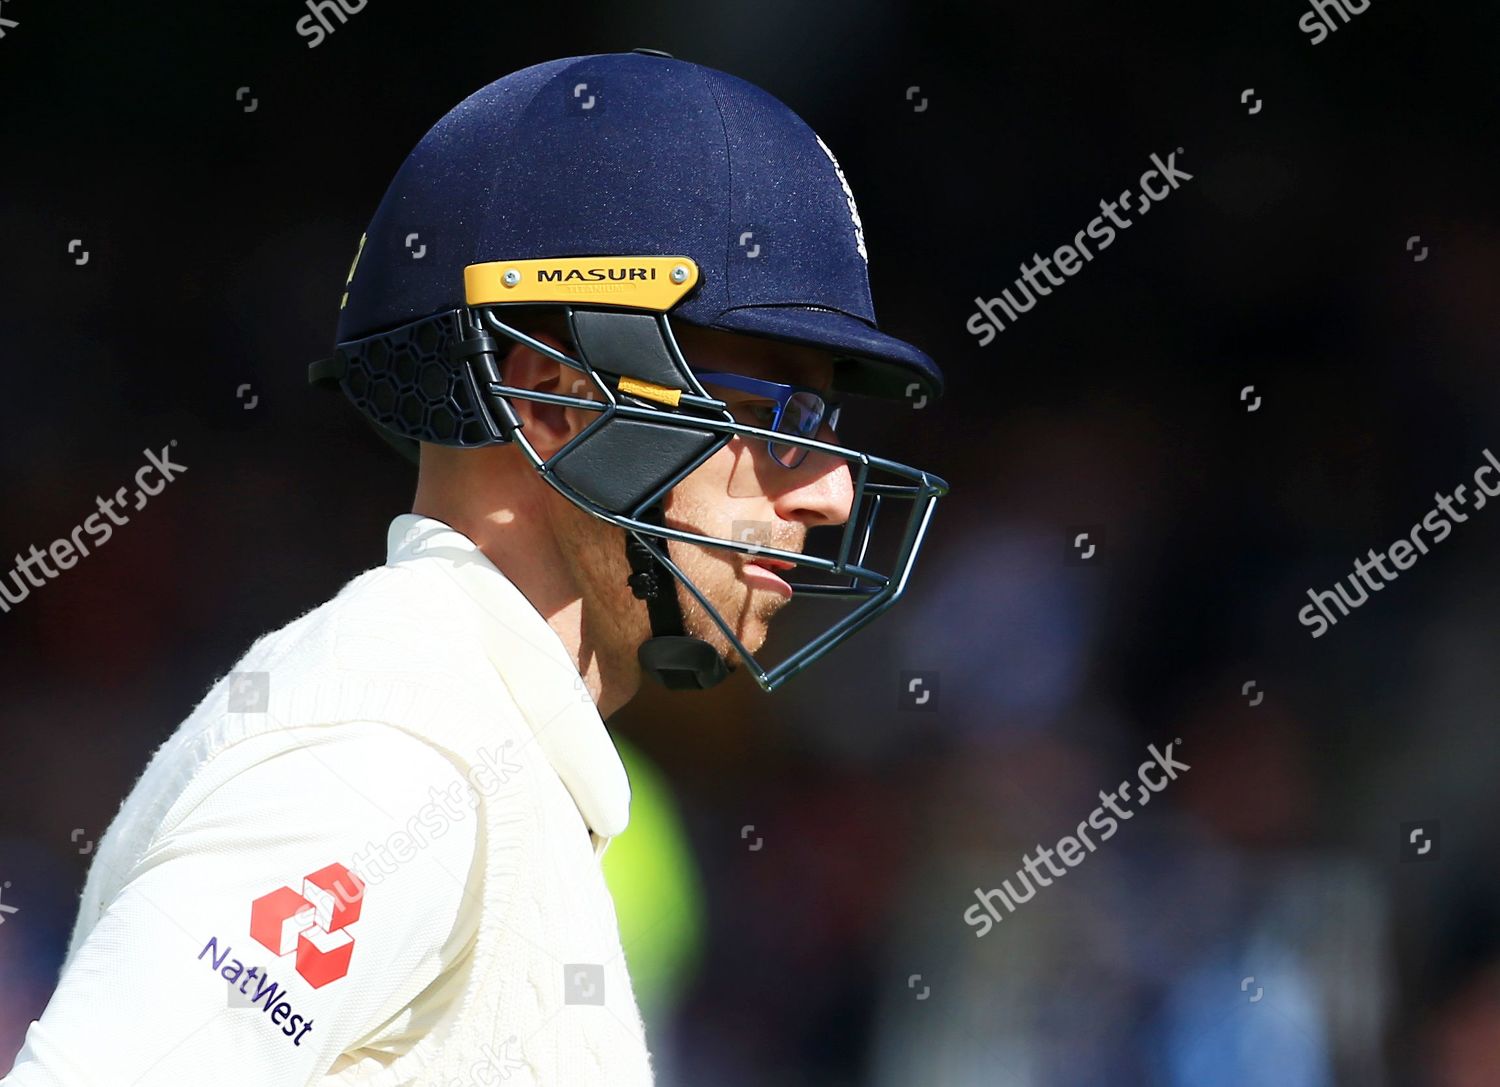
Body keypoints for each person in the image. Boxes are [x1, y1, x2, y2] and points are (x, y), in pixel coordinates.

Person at [0, 50, 947, 1086]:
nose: (831, 493)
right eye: (777, 417)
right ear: (558, 401)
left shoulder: (478, 746)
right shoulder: (391, 763)